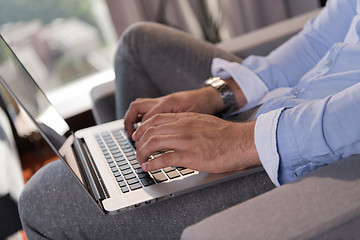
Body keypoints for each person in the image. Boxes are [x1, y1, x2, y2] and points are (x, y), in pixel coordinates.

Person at [18, 0, 360, 238]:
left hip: (314, 152)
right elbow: (320, 40)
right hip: (292, 103)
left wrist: (241, 141)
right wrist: (220, 93)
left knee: (43, 202)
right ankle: (142, 192)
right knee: (138, 45)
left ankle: (140, 206)